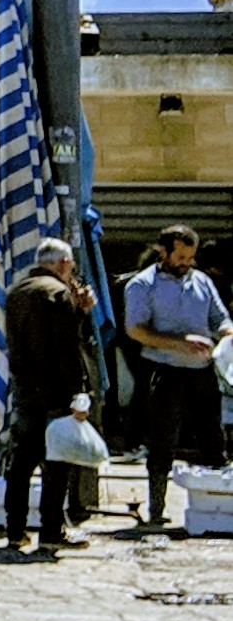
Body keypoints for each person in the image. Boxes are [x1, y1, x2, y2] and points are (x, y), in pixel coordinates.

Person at [122, 225, 231, 531]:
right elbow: (136, 330)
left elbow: (220, 317)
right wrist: (180, 343)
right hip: (164, 370)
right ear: (163, 252)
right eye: (180, 257)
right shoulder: (143, 285)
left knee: (213, 436)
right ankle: (157, 509)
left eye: (190, 257)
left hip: (202, 370)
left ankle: (221, 506)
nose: (186, 263)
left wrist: (226, 331)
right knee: (163, 439)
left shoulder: (202, 281)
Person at [1, 236, 101, 558]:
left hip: (25, 388)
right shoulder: (58, 294)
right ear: (63, 263)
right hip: (56, 391)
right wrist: (79, 393)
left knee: (22, 462)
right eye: (71, 265)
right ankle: (50, 532)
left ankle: (15, 531)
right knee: (57, 464)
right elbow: (68, 348)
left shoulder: (17, 291)